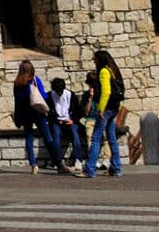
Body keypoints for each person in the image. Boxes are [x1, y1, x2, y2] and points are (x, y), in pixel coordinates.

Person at [80, 49, 124, 178]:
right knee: (111, 138)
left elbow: (106, 92)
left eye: (95, 59)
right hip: (114, 108)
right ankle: (115, 168)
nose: (94, 62)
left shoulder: (104, 71)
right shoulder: (112, 70)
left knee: (95, 139)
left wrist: (101, 109)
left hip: (106, 108)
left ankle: (90, 169)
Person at [11, 60, 57, 173]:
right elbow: (44, 96)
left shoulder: (17, 84)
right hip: (37, 112)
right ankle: (57, 161)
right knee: (48, 137)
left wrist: (17, 117)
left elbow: (17, 102)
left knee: (29, 138)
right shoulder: (35, 80)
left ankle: (33, 164)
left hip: (25, 114)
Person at [48, 77, 77, 173]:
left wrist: (73, 120)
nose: (59, 94)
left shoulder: (70, 95)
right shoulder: (50, 96)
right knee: (56, 135)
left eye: (60, 92)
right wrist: (56, 120)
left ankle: (78, 159)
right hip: (57, 122)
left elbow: (79, 110)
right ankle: (58, 162)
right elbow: (48, 113)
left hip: (69, 120)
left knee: (74, 133)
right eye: (57, 92)